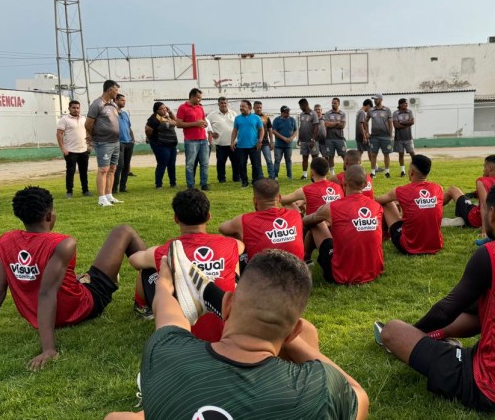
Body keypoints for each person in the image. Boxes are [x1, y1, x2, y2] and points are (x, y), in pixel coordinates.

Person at [374, 179, 495, 414]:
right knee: (485, 305)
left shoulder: (491, 253)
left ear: (493, 213)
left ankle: (428, 337)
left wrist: (416, 333)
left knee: (393, 331)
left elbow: (446, 309)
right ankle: (440, 336)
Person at [105, 248, 369, 419]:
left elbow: (167, 317)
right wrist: (292, 339)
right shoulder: (319, 388)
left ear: (228, 305)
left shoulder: (165, 352)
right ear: (293, 332)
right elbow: (359, 395)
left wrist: (164, 285)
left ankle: (210, 295)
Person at [0, 186, 146, 370]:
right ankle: (151, 291)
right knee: (123, 231)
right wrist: (48, 349)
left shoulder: (5, 241)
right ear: (49, 216)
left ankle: (85, 279)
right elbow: (47, 293)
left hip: (40, 314)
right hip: (81, 307)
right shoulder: (62, 243)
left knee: (76, 277)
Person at [128, 188, 243, 341]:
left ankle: (142, 307)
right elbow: (240, 245)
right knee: (234, 260)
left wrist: (153, 253)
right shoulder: (231, 244)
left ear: (176, 218)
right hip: (226, 329)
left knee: (147, 269)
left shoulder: (165, 251)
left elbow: (134, 260)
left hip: (183, 330)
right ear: (208, 216)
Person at [303, 165, 384, 284]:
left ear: (344, 183)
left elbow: (305, 221)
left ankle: (306, 259)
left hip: (340, 275)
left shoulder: (332, 207)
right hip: (374, 271)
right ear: (365, 184)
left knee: (318, 224)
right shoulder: (376, 206)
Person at [219, 178, 305, 263]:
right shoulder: (295, 215)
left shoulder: (244, 220)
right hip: (297, 273)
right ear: (279, 198)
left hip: (262, 274)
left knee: (235, 238)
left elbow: (222, 228)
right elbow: (290, 203)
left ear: (254, 201)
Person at [376, 154, 443, 255]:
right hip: (436, 244)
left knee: (387, 204)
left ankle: (384, 235)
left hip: (409, 246)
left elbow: (377, 201)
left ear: (411, 172)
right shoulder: (438, 188)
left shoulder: (401, 191)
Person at [441, 155, 495, 234]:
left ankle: (431, 207)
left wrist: (484, 231)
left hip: (474, 219)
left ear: (490, 168)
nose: (483, 170)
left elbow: (484, 205)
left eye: (484, 167)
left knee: (452, 190)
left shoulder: (482, 181)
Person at [86, 79, 123, 207]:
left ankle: (109, 195)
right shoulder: (97, 104)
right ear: (109, 90)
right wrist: (93, 136)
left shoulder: (113, 105)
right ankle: (101, 199)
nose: (117, 93)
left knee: (112, 168)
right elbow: (88, 124)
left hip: (115, 142)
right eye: (116, 90)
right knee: (103, 169)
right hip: (103, 142)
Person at [176, 88, 210, 191]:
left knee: (204, 163)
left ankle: (204, 183)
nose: (200, 100)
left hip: (203, 139)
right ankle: (190, 185)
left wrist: (205, 123)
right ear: (192, 96)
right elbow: (178, 124)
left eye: (201, 98)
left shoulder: (200, 108)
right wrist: (195, 124)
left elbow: (204, 120)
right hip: (191, 140)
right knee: (190, 164)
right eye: (198, 98)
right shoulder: (182, 108)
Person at [56, 101, 92, 198]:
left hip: (83, 150)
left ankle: (85, 190)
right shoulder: (64, 119)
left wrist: (89, 146)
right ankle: (69, 192)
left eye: (77, 108)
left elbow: (88, 133)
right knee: (70, 172)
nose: (76, 110)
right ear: (69, 108)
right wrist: (63, 148)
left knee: (84, 172)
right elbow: (59, 135)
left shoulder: (83, 118)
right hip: (71, 151)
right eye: (74, 108)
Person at [145, 102, 179, 189]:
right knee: (162, 163)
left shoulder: (167, 117)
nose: (164, 110)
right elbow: (148, 129)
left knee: (172, 164)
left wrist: (170, 112)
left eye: (165, 108)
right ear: (156, 110)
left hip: (172, 144)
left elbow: (176, 122)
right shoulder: (154, 118)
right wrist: (151, 138)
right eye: (162, 109)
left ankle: (173, 183)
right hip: (161, 145)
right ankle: (159, 184)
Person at [231, 99, 264, 187]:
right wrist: (232, 142)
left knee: (256, 165)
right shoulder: (237, 118)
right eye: (240, 106)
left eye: (243, 106)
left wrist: (260, 141)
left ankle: (255, 182)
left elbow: (261, 130)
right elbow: (234, 131)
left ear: (249, 107)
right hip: (241, 146)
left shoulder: (256, 118)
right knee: (242, 165)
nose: (241, 108)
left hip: (254, 145)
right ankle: (244, 182)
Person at [206, 97, 238, 184]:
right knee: (220, 162)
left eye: (225, 103)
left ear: (227, 103)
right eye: (221, 103)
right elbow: (206, 125)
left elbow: (238, 126)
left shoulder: (234, 113)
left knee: (235, 162)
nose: (223, 105)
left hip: (233, 143)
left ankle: (236, 178)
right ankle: (221, 179)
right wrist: (211, 134)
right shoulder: (212, 115)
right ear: (218, 104)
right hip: (220, 144)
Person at [112, 94, 135, 194]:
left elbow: (129, 127)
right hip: (119, 143)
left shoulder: (125, 113)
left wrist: (132, 139)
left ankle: (123, 187)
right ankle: (114, 188)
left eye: (124, 100)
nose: (124, 102)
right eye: (122, 100)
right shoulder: (112, 113)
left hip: (129, 143)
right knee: (119, 165)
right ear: (116, 100)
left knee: (126, 165)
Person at [368, 93, 394, 178]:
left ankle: (387, 172)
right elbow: (365, 121)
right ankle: (373, 172)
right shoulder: (371, 110)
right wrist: (367, 132)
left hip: (385, 136)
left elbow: (390, 123)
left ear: (381, 99)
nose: (375, 101)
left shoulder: (387, 110)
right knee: (373, 154)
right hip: (374, 136)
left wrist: (390, 134)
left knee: (386, 154)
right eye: (374, 99)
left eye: (376, 99)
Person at [271, 105, 298, 180]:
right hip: (278, 145)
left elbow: (296, 130)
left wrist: (291, 138)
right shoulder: (276, 120)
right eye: (286, 112)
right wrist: (284, 138)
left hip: (289, 145)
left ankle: (289, 176)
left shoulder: (292, 120)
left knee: (288, 160)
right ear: (282, 113)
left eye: (288, 112)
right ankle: (275, 176)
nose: (288, 113)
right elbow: (273, 131)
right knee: (277, 160)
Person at [323, 98, 347, 175]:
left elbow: (342, 126)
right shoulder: (327, 113)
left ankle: (347, 171)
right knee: (330, 156)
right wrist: (337, 122)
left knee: (344, 155)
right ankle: (332, 173)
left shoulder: (342, 114)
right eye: (332, 103)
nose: (333, 104)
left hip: (340, 138)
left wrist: (331, 124)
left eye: (335, 103)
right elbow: (326, 124)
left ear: (339, 104)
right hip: (329, 139)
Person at [297, 98, 319, 180]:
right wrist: (299, 138)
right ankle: (304, 175)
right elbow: (301, 127)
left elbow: (316, 127)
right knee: (304, 158)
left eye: (300, 106)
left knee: (315, 158)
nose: (300, 107)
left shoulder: (314, 114)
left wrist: (313, 139)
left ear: (304, 105)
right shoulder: (301, 114)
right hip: (303, 141)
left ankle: (316, 174)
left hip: (312, 141)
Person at [393, 98, 415, 178]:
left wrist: (402, 122)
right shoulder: (395, 113)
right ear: (400, 104)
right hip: (399, 138)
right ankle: (403, 171)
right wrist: (407, 124)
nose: (406, 105)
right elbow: (396, 125)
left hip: (408, 137)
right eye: (404, 103)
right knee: (401, 154)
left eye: (406, 103)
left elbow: (412, 122)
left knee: (412, 154)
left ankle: (415, 169)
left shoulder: (410, 112)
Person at [253, 101, 275, 179]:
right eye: (257, 107)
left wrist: (271, 142)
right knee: (258, 161)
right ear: (253, 108)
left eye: (260, 107)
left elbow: (270, 130)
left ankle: (272, 177)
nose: (259, 109)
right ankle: (260, 177)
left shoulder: (266, 117)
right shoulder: (251, 117)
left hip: (265, 143)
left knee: (269, 160)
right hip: (255, 143)